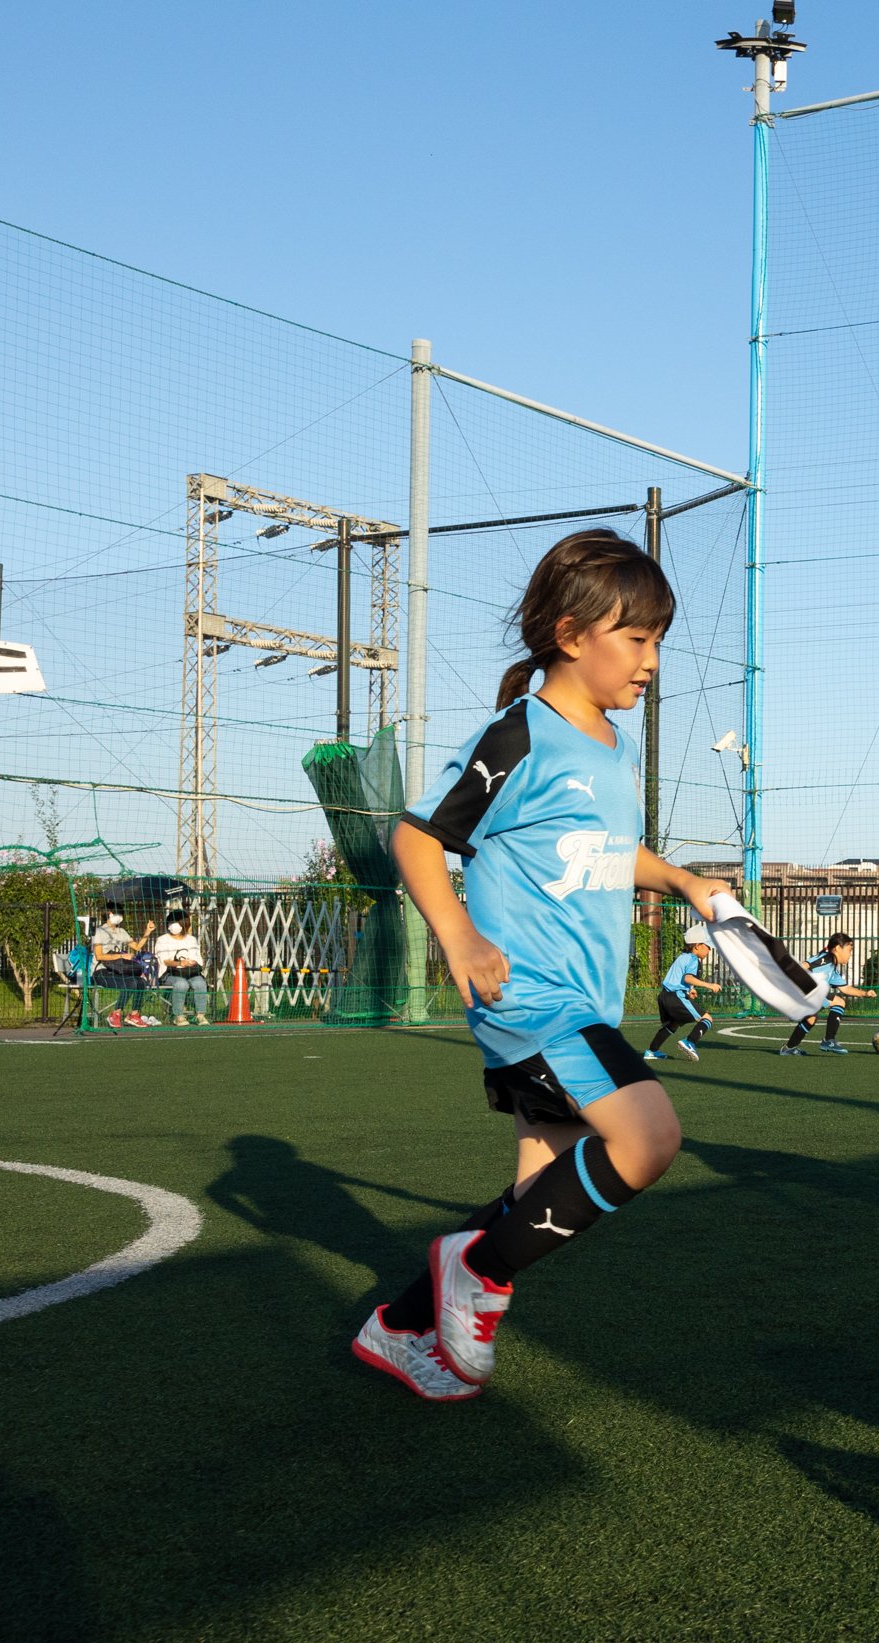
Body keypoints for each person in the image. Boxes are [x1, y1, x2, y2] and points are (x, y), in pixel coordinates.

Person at [353, 528, 743, 1403]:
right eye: (636, 640)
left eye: (657, 644)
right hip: (530, 995)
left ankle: (399, 1329)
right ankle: (474, 1271)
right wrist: (456, 934)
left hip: (585, 1002)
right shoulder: (521, 731)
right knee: (649, 1139)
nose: (650, 662)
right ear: (571, 635)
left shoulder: (613, 744)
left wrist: (677, 875)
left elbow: (606, 847)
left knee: (538, 1199)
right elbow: (415, 836)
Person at [781, 932, 876, 1056]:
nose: (850, 954)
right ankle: (829, 1040)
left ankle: (789, 1048)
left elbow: (846, 989)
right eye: (849, 950)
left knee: (811, 1019)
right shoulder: (824, 959)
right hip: (801, 994)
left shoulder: (832, 968)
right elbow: (803, 966)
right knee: (839, 1001)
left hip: (807, 997)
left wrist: (865, 993)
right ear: (837, 948)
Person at [646, 931, 722, 1060]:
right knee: (707, 1019)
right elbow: (687, 978)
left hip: (664, 996)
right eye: (707, 947)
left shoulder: (682, 957)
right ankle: (690, 1042)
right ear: (697, 946)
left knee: (673, 1024)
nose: (709, 950)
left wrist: (689, 990)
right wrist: (709, 985)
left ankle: (652, 1052)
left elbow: (677, 978)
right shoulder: (693, 959)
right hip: (676, 996)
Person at [90, 909, 156, 1028]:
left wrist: (147, 932)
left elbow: (136, 947)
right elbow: (99, 955)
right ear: (109, 914)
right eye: (117, 914)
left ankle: (134, 1015)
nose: (120, 916)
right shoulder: (99, 931)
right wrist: (121, 955)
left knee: (140, 982)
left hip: (118, 969)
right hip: (101, 971)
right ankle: (115, 1014)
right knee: (130, 983)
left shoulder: (121, 931)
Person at [154, 911, 212, 1026]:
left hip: (190, 972)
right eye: (171, 922)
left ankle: (200, 1015)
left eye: (177, 922)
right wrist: (179, 963)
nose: (173, 925)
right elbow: (164, 960)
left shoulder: (191, 940)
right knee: (181, 984)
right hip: (170, 973)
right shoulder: (162, 939)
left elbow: (197, 958)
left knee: (200, 983)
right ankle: (178, 1015)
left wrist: (192, 962)